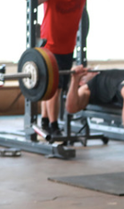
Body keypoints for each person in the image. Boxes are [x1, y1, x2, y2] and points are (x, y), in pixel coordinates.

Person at [38, 0, 86, 136]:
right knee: (54, 88)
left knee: (58, 88)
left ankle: (45, 121)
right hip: (50, 46)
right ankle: (54, 126)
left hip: (68, 47)